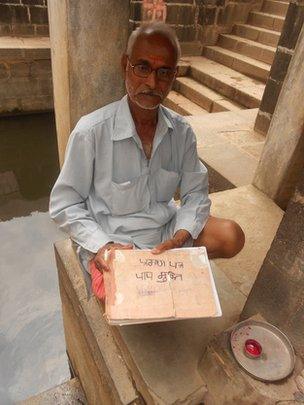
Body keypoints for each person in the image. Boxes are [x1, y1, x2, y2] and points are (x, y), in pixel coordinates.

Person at [49, 22, 245, 277]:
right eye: (143, 68)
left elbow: (196, 192)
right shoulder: (90, 132)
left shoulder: (181, 131)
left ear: (174, 76)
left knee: (231, 236)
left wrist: (180, 236)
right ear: (125, 66)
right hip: (114, 238)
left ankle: (170, 270)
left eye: (164, 72)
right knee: (133, 306)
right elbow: (65, 204)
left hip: (165, 232)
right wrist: (103, 245)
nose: (152, 82)